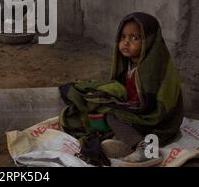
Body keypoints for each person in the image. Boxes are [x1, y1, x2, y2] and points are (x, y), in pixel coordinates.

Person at [59, 12, 183, 167]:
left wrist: (119, 106)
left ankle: (146, 148)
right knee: (94, 113)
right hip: (135, 113)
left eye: (134, 38)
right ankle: (124, 143)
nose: (126, 42)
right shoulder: (129, 64)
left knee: (113, 115)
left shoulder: (153, 67)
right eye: (123, 37)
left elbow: (149, 106)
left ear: (150, 41)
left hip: (156, 119)